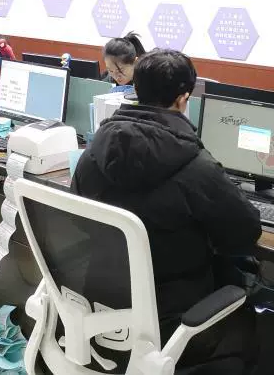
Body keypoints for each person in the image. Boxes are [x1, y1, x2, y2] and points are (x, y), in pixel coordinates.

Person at [72, 49, 261, 373]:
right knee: (245, 317)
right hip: (172, 321)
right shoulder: (197, 166)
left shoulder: (96, 148)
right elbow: (244, 232)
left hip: (101, 308)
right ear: (183, 98)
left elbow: (80, 215)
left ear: (136, 89)